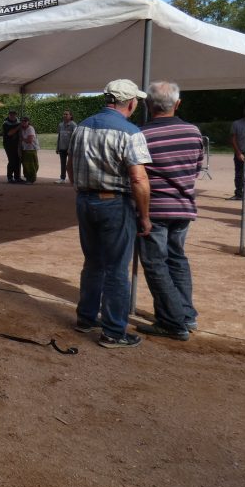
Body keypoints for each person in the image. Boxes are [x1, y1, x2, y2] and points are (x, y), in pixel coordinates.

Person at [67, 79, 152, 349]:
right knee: (116, 268)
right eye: (136, 100)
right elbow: (139, 179)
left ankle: (86, 318)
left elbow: (70, 166)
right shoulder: (129, 131)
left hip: (85, 200)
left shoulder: (81, 126)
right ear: (130, 103)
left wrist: (83, 190)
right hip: (114, 203)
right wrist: (145, 214)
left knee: (92, 263)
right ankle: (114, 331)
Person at [135, 81, 204, 341]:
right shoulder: (193, 132)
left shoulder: (141, 134)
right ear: (177, 104)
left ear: (148, 105)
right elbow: (197, 169)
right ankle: (187, 315)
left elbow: (137, 175)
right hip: (183, 207)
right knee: (177, 259)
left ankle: (173, 321)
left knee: (154, 264)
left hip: (155, 209)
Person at [1, 109, 24, 183]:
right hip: (8, 144)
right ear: (9, 115)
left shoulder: (18, 122)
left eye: (14, 114)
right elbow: (10, 133)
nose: (12, 116)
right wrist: (18, 127)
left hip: (17, 144)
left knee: (18, 160)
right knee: (12, 160)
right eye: (11, 114)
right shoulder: (6, 123)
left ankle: (17, 177)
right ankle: (10, 177)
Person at [55, 110, 77, 184]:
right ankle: (62, 178)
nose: (64, 115)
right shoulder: (60, 125)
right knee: (63, 163)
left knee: (71, 164)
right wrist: (57, 147)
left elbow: (74, 138)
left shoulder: (74, 125)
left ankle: (74, 179)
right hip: (62, 148)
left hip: (71, 149)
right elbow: (59, 137)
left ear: (71, 116)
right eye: (64, 114)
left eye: (66, 114)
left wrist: (71, 148)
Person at [19, 116, 39, 183]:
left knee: (30, 165)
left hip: (31, 149)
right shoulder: (21, 129)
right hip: (25, 149)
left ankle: (31, 179)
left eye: (25, 121)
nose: (23, 122)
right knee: (26, 165)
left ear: (28, 122)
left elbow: (29, 140)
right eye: (22, 121)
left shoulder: (30, 128)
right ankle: (28, 178)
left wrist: (22, 139)